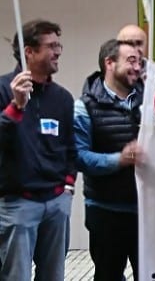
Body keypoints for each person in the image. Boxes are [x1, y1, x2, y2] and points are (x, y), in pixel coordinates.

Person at [0, 19, 76, 280]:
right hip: (18, 203)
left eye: (59, 45)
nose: (58, 52)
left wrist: (68, 186)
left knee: (53, 275)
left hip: (56, 203)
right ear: (28, 52)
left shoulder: (62, 98)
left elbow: (70, 147)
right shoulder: (2, 90)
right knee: (15, 276)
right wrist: (16, 107)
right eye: (51, 46)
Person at [74, 39, 144, 281]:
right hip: (105, 211)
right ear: (109, 63)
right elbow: (79, 157)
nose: (137, 67)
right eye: (131, 61)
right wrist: (120, 160)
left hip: (147, 211)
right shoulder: (83, 107)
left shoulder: (153, 102)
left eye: (139, 62)